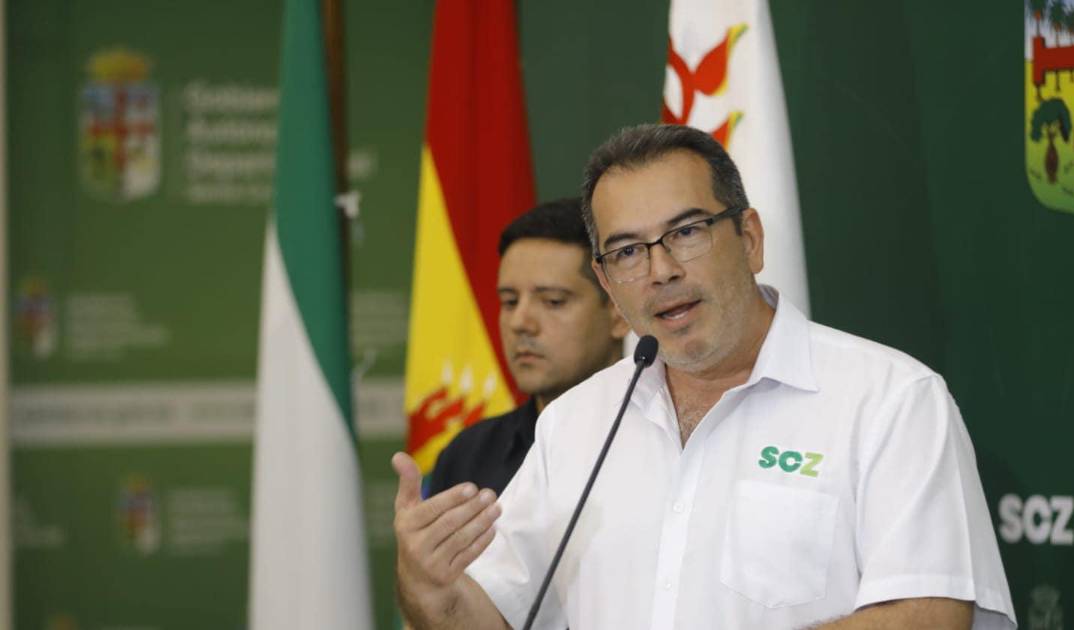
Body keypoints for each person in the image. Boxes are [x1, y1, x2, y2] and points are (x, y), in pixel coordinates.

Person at [390, 124, 1017, 629]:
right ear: (607, 283)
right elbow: (493, 618)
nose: (660, 270)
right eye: (628, 252)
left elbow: (930, 614)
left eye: (686, 232)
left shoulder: (891, 400)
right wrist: (429, 588)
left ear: (749, 238)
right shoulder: (575, 423)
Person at [427, 198, 629, 496]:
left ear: (620, 312)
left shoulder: (665, 442)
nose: (520, 322)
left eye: (553, 302)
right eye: (510, 302)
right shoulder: (468, 456)